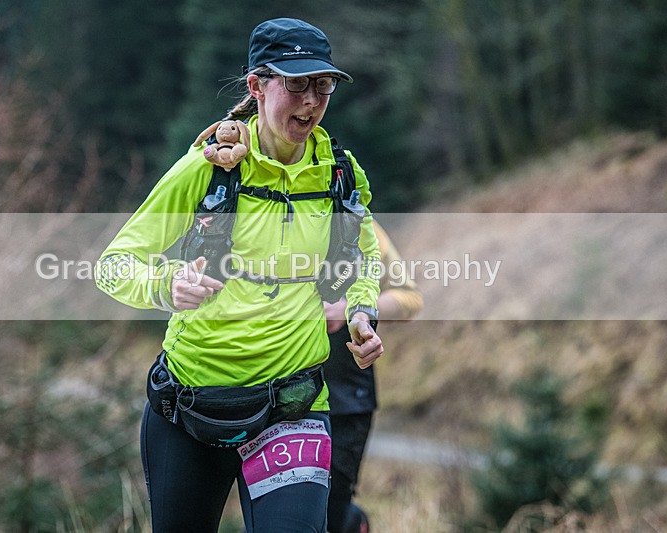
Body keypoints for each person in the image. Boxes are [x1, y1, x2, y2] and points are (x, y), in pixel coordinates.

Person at [96, 17, 383, 533]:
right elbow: (114, 265)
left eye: (323, 86)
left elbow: (362, 262)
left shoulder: (341, 174)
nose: (311, 101)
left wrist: (362, 312)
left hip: (293, 407)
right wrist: (166, 287)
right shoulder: (207, 170)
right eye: (296, 85)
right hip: (191, 407)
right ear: (256, 85)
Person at [323, 221, 423, 533]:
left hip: (347, 397)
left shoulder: (359, 221)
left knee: (333, 509)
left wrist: (353, 308)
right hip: (278, 391)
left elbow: (409, 299)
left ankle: (354, 524)